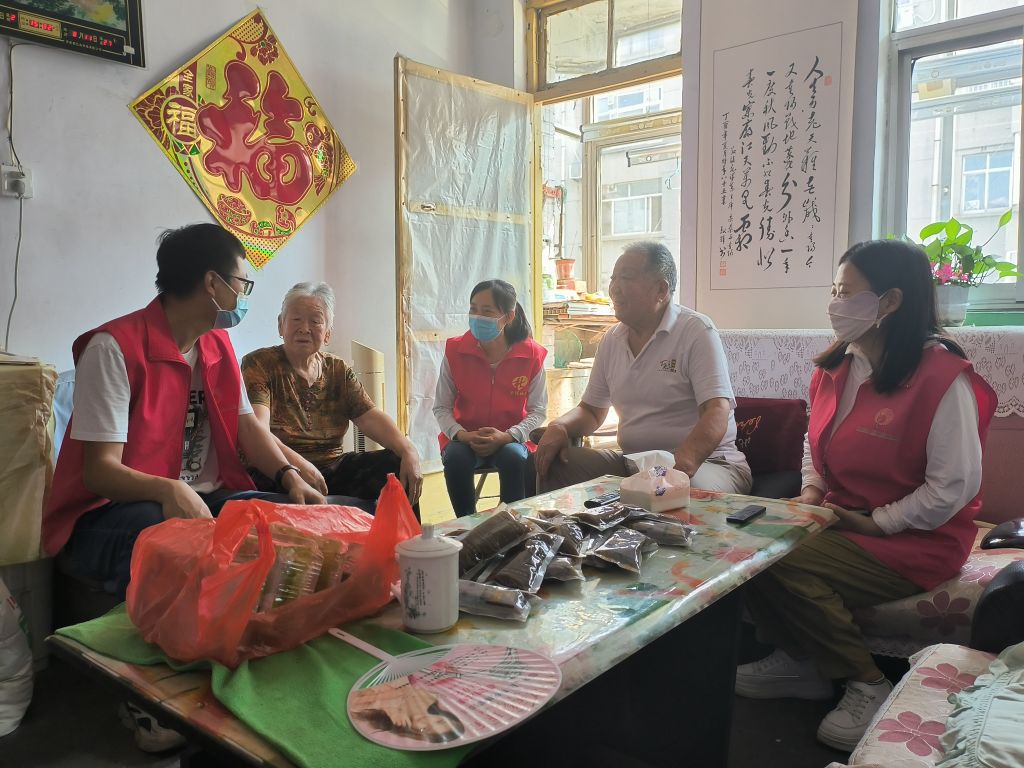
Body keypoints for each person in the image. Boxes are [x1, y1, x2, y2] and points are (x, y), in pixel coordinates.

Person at [44, 223, 325, 752]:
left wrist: (289, 475)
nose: (244, 296)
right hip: (107, 514)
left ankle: (253, 660)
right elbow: (98, 471)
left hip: (202, 499)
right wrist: (167, 489)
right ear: (212, 283)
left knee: (283, 520)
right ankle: (148, 698)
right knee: (172, 535)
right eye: (243, 283)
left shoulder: (217, 343)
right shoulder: (114, 347)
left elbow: (247, 428)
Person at [734, 240, 997, 751]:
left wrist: (878, 522)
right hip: (844, 518)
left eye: (847, 292)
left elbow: (954, 485)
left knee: (781, 557)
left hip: (918, 538)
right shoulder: (837, 365)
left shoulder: (941, 378)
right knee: (746, 542)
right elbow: (813, 443)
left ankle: (867, 682)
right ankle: (800, 660)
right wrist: (812, 491)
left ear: (890, 301)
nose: (835, 304)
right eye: (834, 291)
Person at [533, 241, 751, 495]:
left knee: (676, 492)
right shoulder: (612, 340)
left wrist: (680, 468)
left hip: (708, 465)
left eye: (626, 278)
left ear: (661, 289)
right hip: (634, 464)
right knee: (553, 464)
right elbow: (591, 411)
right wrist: (559, 426)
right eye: (613, 279)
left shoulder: (696, 331)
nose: (614, 288)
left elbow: (716, 410)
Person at [241, 282, 423, 513]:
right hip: (279, 469)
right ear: (280, 325)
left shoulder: (337, 369)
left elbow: (371, 418)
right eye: (296, 319)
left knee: (396, 465)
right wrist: (297, 466)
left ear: (327, 333)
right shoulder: (259, 364)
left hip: (330, 468)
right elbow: (258, 430)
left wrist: (408, 450)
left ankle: (408, 536)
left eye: (315, 321)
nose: (304, 328)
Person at [433, 279, 547, 517]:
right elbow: (441, 407)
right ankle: (466, 523)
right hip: (466, 439)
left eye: (487, 311)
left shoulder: (532, 355)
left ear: (508, 317)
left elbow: (538, 411)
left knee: (514, 456)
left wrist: (508, 436)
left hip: (511, 439)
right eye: (473, 309)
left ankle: (510, 523)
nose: (477, 317)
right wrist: (462, 434)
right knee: (455, 457)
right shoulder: (455, 351)